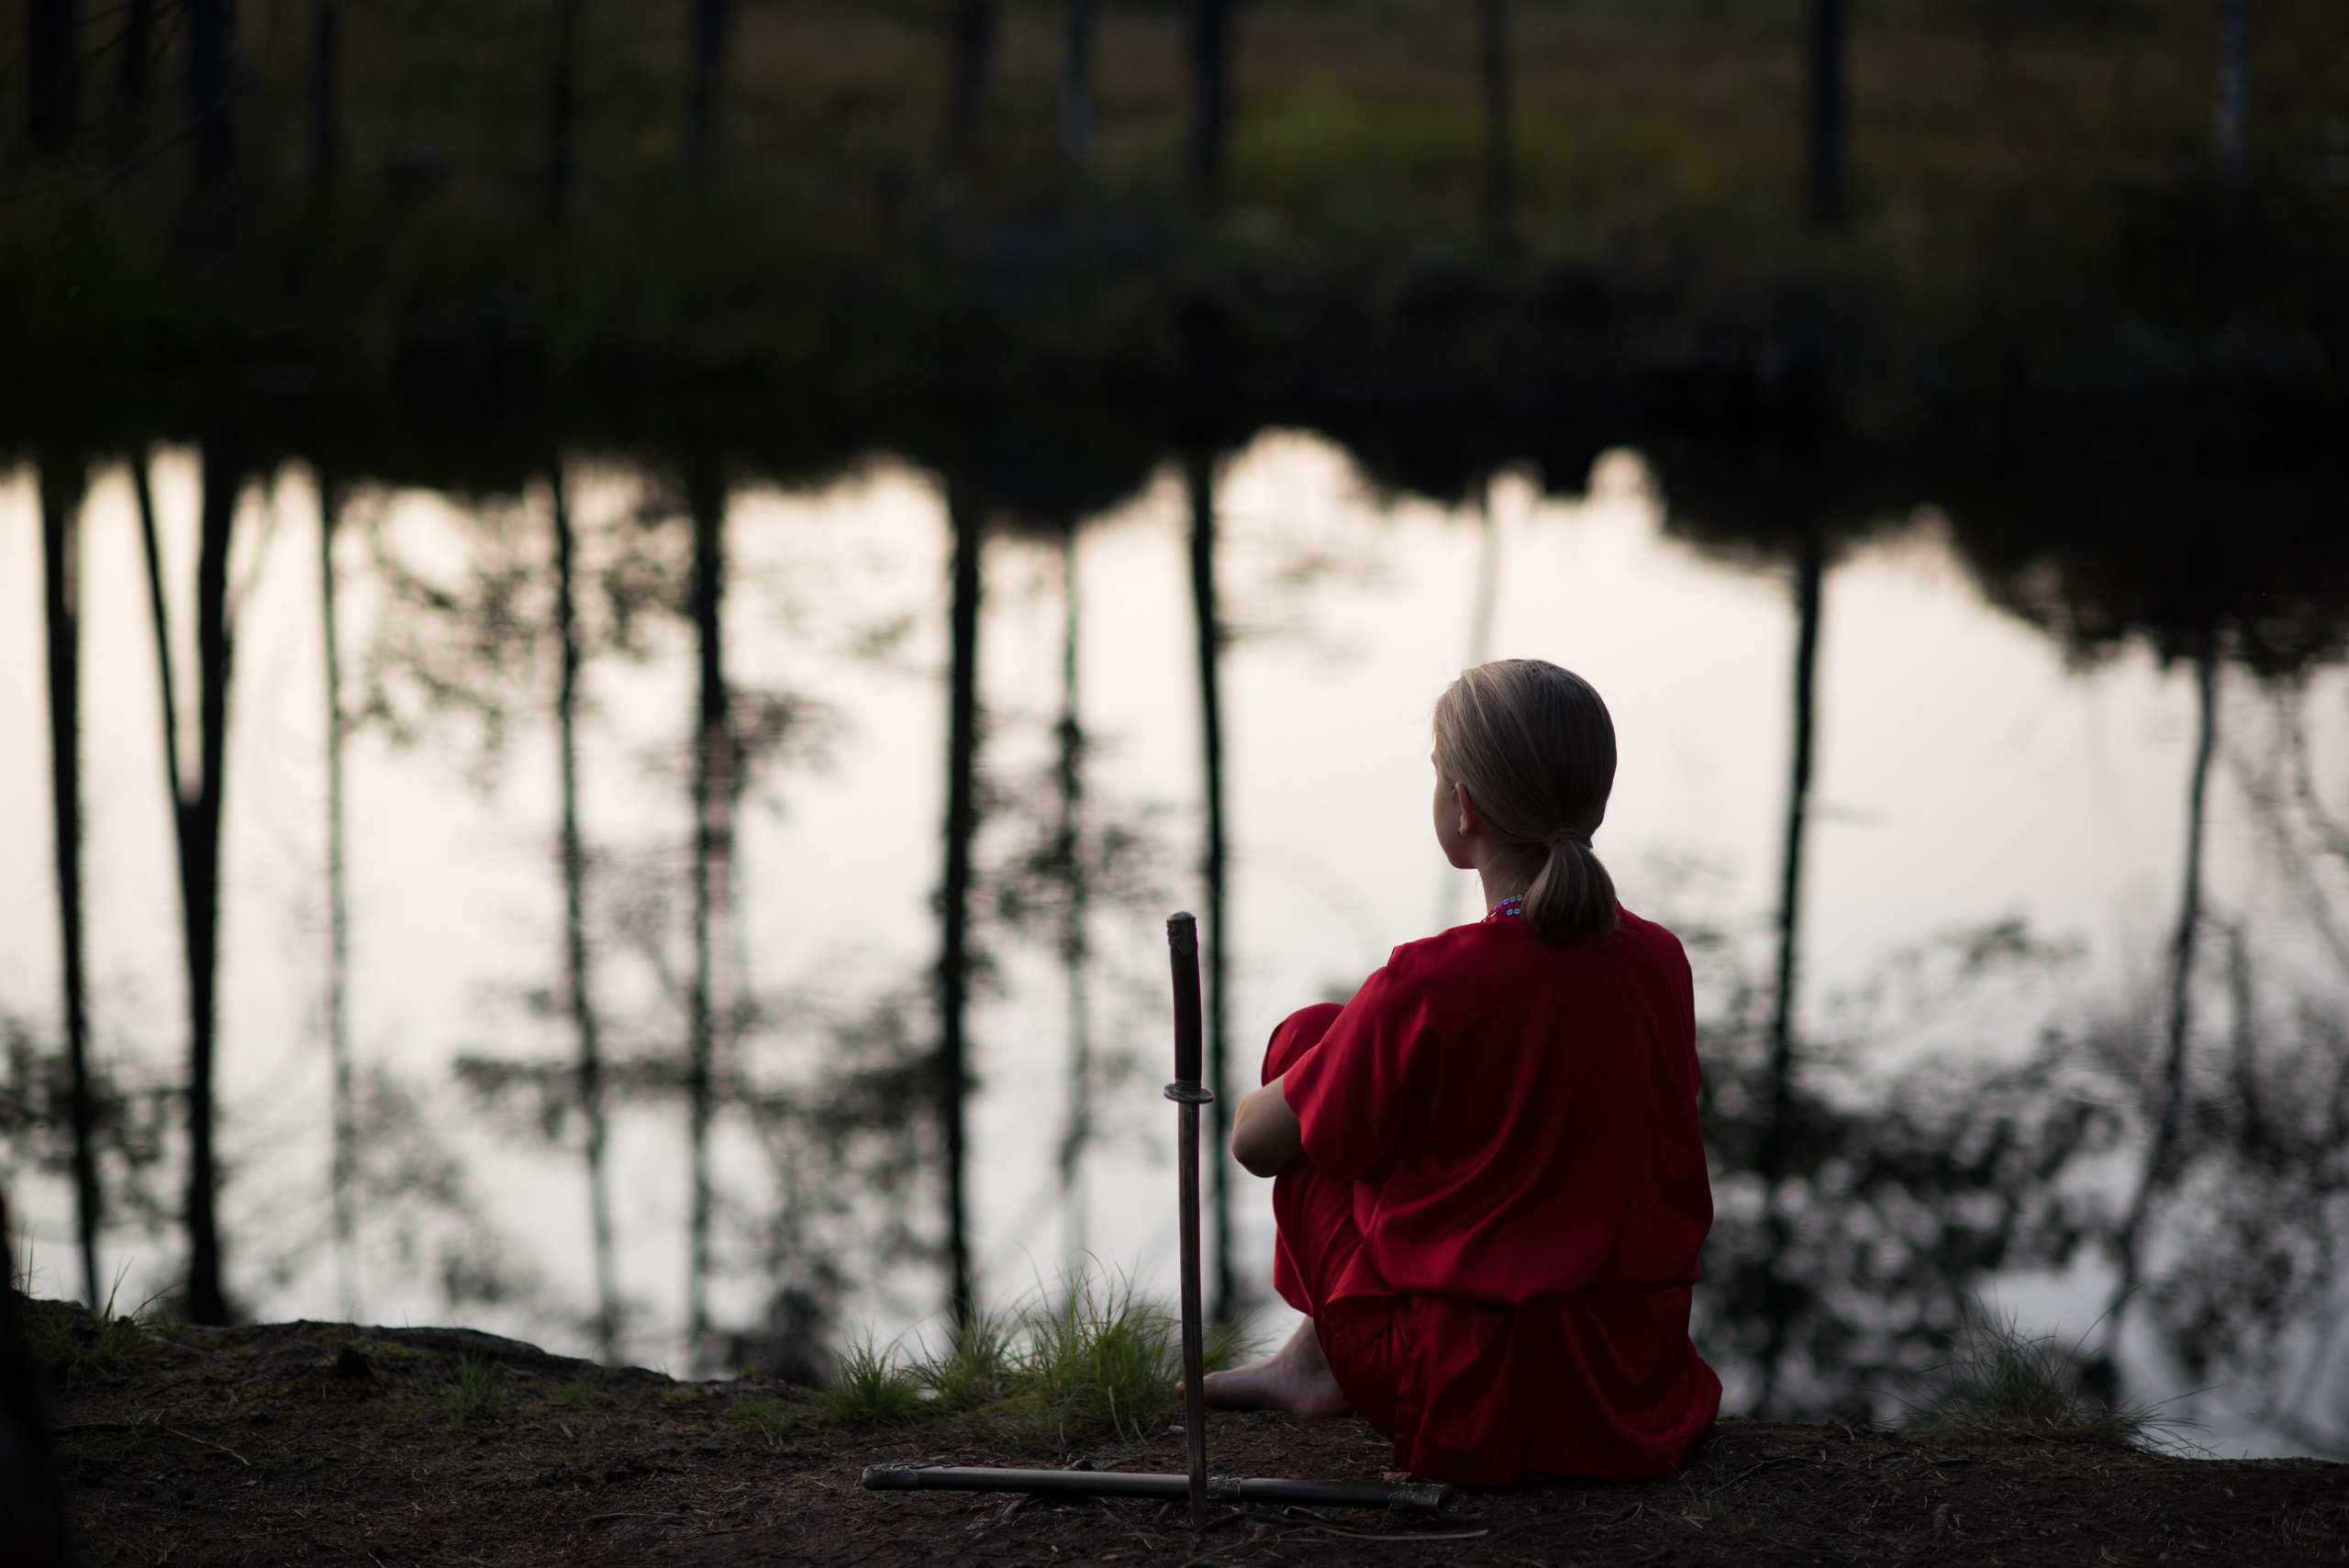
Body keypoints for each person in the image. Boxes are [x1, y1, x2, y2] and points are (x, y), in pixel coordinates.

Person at [1202, 659, 1720, 1485]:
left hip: (1470, 1397)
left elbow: (1257, 1146)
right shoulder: (1660, 959)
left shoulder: (1429, 981)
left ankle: (1325, 1366)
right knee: (1385, 1073)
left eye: (1440, 772)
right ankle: (1312, 1362)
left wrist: (1311, 1064)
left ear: (1463, 806)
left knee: (1308, 1038)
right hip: (1636, 1385)